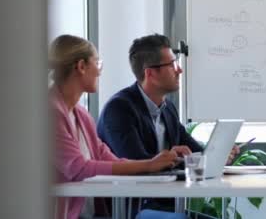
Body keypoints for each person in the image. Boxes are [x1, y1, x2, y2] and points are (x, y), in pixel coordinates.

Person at [96, 34, 238, 212]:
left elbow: (193, 150)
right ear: (150, 73)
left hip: (165, 206)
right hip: (134, 209)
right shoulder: (118, 110)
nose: (179, 70)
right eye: (171, 64)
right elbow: (138, 165)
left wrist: (217, 153)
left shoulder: (167, 108)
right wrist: (176, 158)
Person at [50, 35, 177, 219]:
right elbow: (78, 168)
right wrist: (149, 165)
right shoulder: (50, 113)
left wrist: (153, 165)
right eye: (97, 63)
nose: (100, 71)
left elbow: (107, 157)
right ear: (81, 66)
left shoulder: (82, 114)